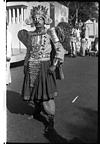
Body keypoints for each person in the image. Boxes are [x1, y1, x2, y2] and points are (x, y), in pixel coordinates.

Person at [18, 5, 65, 132]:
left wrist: (54, 64)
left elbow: (60, 49)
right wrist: (26, 65)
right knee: (34, 91)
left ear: (45, 20)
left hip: (45, 67)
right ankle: (37, 112)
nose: (38, 21)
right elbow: (29, 52)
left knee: (46, 95)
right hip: (32, 66)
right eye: (35, 18)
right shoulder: (30, 35)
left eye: (40, 18)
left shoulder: (51, 32)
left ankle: (50, 119)